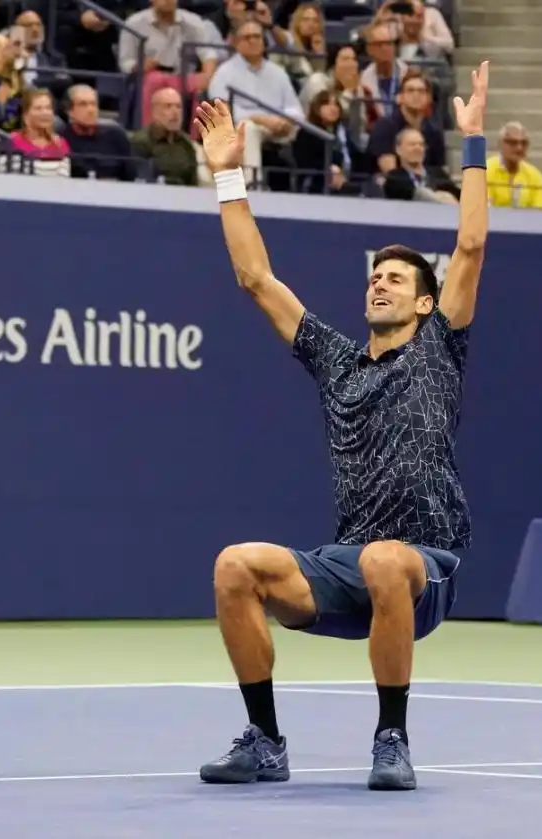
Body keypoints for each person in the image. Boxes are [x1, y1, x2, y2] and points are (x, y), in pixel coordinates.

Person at [191, 60, 490, 792]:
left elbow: (473, 246)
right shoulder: (337, 361)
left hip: (423, 560)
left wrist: (474, 142)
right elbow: (256, 279)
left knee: (387, 558)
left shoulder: (439, 347)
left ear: (426, 304)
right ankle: (264, 740)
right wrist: (229, 177)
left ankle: (392, 738)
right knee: (236, 563)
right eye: (375, 275)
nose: (380, 281)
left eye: (397, 278)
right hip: (348, 560)